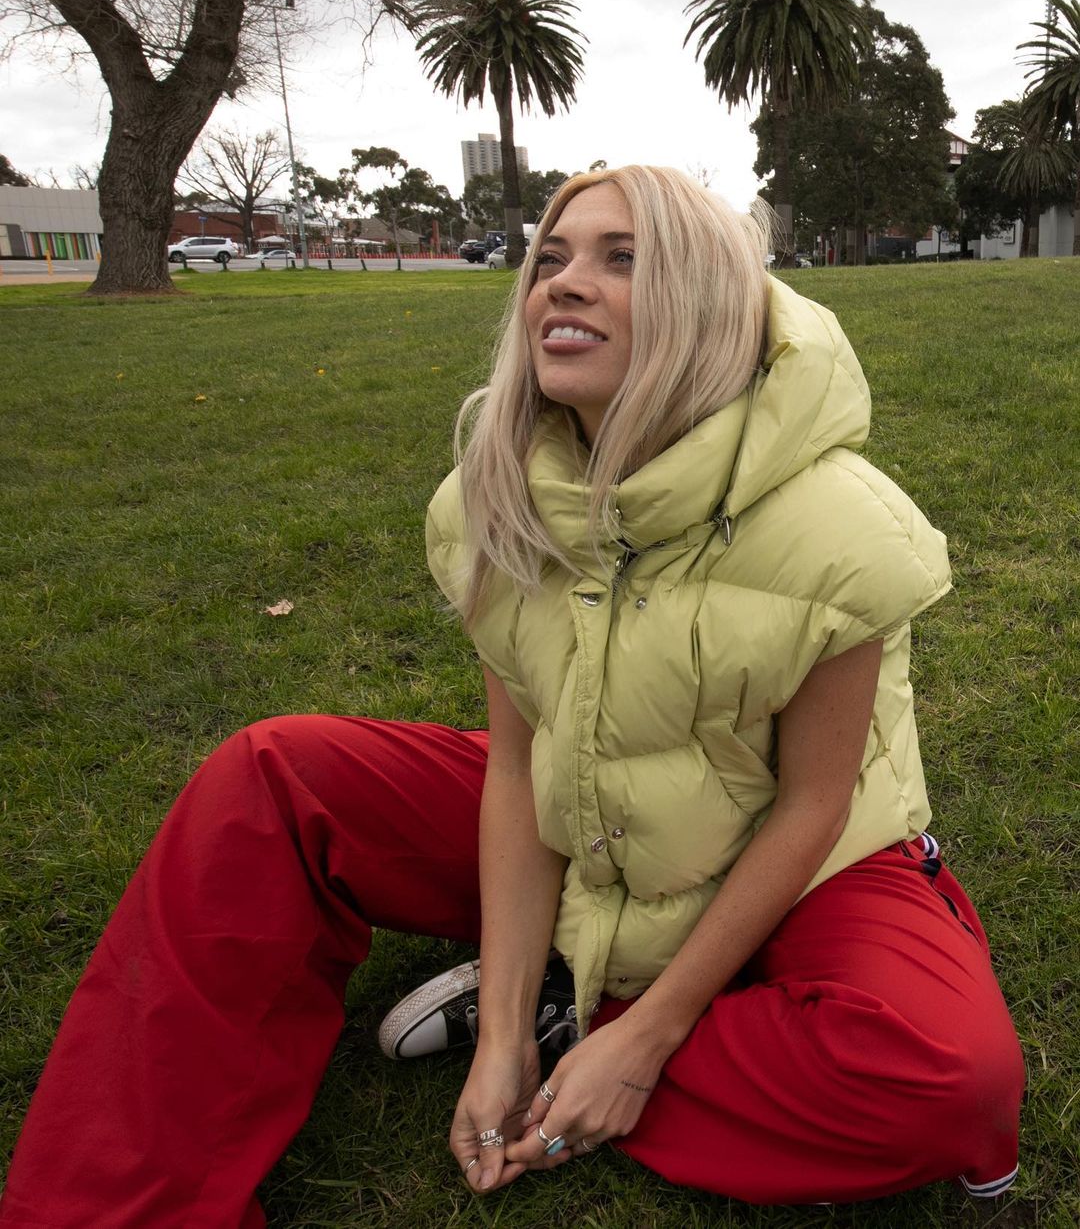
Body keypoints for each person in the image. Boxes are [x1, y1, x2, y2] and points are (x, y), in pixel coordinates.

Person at [0, 167, 1023, 1226]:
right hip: (590, 806)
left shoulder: (843, 524)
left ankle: (578, 1024)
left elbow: (813, 805)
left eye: (622, 259)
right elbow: (519, 763)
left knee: (946, 1079)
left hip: (807, 857)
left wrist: (642, 1039)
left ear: (707, 302)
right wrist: (495, 1043)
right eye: (552, 259)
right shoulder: (491, 498)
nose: (562, 284)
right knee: (272, 778)